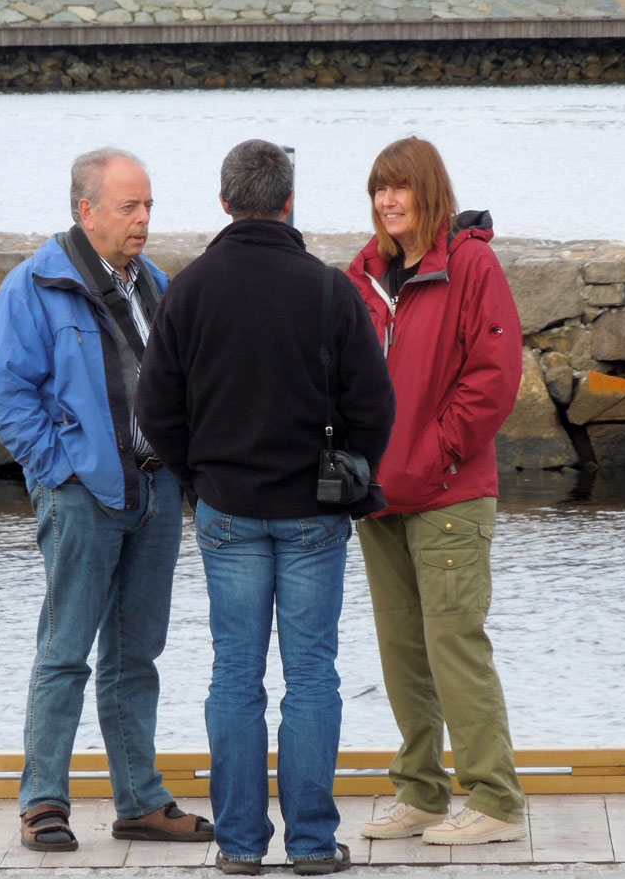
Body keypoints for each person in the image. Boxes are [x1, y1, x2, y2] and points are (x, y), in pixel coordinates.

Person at [135, 139, 395, 876]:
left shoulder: (189, 290)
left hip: (227, 506)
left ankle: (241, 844)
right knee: (312, 674)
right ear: (289, 201)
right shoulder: (326, 289)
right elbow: (375, 406)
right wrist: (346, 464)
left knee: (235, 674)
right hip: (314, 506)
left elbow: (157, 406)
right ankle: (312, 843)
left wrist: (199, 476)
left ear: (225, 202)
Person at [0, 148, 214, 852]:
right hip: (82, 497)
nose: (143, 219)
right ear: (87, 211)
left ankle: (139, 799)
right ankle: (43, 801)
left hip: (155, 491)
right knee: (65, 652)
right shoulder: (32, 287)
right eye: (129, 207)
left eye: (148, 206)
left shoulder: (158, 285)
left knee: (136, 655)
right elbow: (0, 392)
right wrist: (61, 469)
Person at [346, 136, 527, 846]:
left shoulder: (472, 264)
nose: (388, 201)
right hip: (379, 496)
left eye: (400, 188)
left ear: (430, 192)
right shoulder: (364, 276)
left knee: (455, 646)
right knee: (401, 651)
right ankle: (419, 792)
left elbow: (494, 376)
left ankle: (496, 800)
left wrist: (436, 451)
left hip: (450, 495)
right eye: (378, 190)